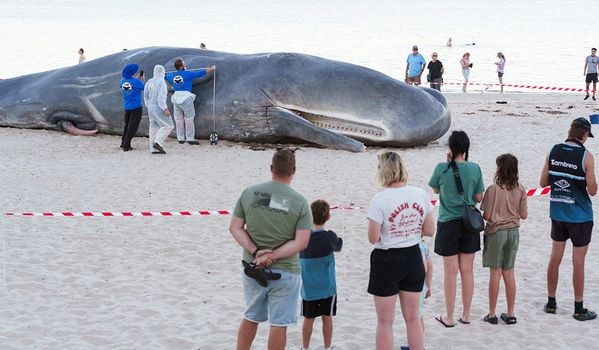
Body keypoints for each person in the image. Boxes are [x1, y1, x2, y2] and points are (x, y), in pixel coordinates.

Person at [229, 148, 313, 350]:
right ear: (294, 170)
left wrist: (257, 251)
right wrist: (272, 255)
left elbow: (235, 228)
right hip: (285, 271)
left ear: (271, 168)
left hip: (253, 267)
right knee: (279, 324)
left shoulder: (251, 193)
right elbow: (301, 242)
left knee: (251, 316)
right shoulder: (300, 202)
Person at [367, 151, 435, 350]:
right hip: (413, 255)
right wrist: (410, 230)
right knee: (413, 318)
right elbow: (430, 230)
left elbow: (373, 237)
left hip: (387, 258)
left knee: (385, 321)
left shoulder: (380, 199)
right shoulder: (420, 194)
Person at [540, 117, 597, 321]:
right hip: (580, 216)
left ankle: (551, 302)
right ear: (583, 135)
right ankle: (578, 307)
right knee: (578, 262)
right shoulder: (586, 156)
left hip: (558, 213)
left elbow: (543, 181)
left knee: (555, 258)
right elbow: (592, 191)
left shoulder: (553, 150)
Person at [429, 130, 484, 327]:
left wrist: (448, 162)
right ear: (467, 148)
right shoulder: (475, 168)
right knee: (467, 271)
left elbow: (436, 190)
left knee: (450, 272)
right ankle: (467, 314)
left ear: (451, 148)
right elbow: (479, 198)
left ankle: (449, 316)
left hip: (448, 222)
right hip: (469, 223)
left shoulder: (442, 168)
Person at [480, 153, 528, 325]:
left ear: (499, 168)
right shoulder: (521, 188)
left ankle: (492, 313)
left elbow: (486, 215)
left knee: (495, 273)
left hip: (496, 232)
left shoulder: (493, 188)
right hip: (513, 232)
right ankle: (510, 312)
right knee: (509, 272)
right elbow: (524, 215)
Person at [300, 199, 343, 350]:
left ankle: (305, 347)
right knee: (327, 318)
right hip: (327, 286)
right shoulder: (329, 236)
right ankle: (327, 347)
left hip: (308, 286)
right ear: (328, 217)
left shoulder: (303, 237)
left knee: (308, 318)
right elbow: (338, 246)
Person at [164, 58, 216, 145]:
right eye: (183, 64)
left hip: (176, 98)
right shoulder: (188, 74)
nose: (185, 65)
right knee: (189, 118)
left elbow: (164, 76)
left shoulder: (172, 75)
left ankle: (180, 138)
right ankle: (190, 138)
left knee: (178, 119)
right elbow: (200, 73)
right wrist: (211, 68)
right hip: (186, 98)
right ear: (181, 66)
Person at [143, 64, 174, 154]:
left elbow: (145, 95)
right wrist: (165, 109)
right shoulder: (162, 82)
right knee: (168, 126)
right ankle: (158, 143)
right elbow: (161, 98)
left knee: (153, 127)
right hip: (159, 107)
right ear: (162, 72)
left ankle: (153, 148)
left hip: (151, 107)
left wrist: (148, 105)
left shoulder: (149, 81)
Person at [119, 63, 145, 152]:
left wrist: (135, 79)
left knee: (127, 125)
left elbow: (130, 83)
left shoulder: (122, 81)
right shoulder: (137, 82)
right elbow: (145, 88)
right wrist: (142, 80)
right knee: (133, 127)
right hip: (136, 107)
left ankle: (123, 142)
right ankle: (127, 145)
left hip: (127, 106)